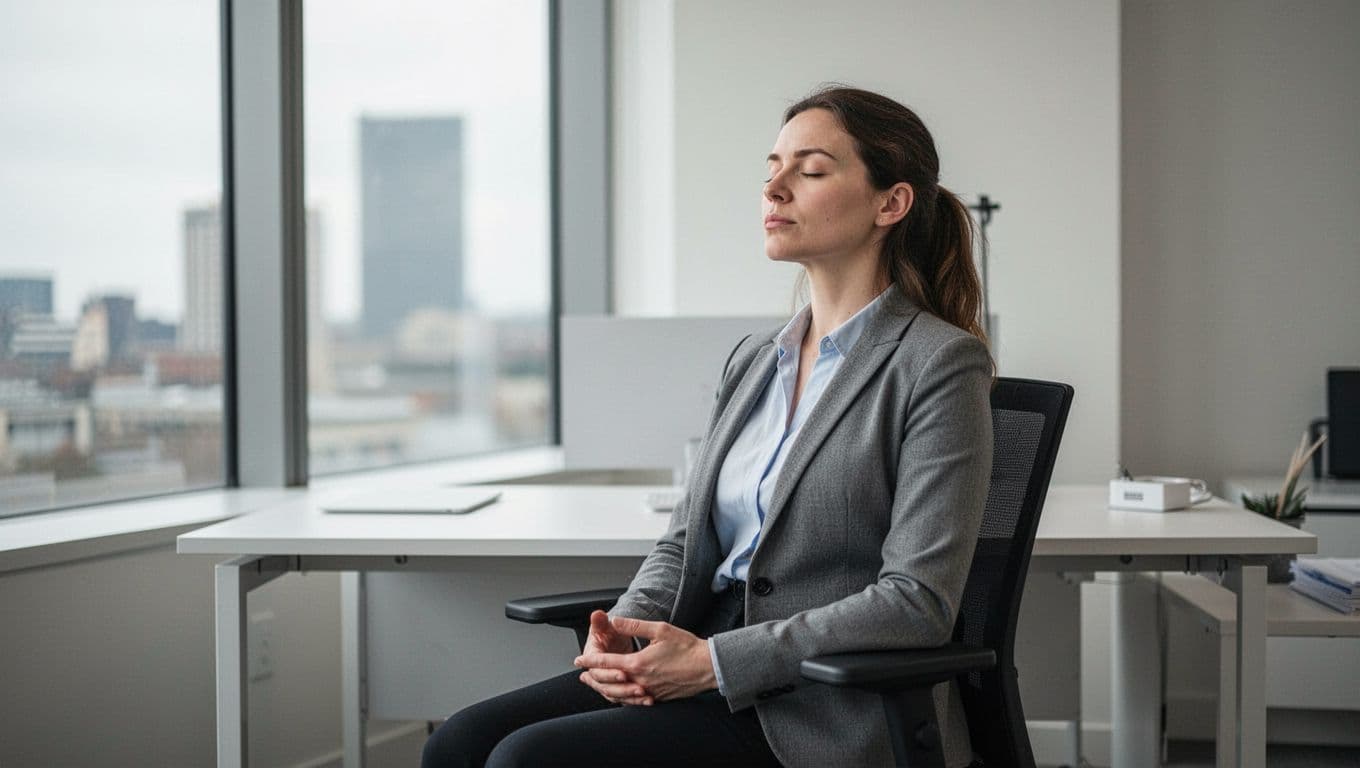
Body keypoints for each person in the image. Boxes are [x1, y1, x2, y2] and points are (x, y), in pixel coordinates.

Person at [422, 85, 994, 768]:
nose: (774, 189)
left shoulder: (938, 364)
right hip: (688, 655)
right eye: (772, 169)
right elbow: (685, 541)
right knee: (460, 741)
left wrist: (716, 662)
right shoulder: (756, 361)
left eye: (810, 171)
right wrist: (624, 633)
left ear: (890, 204)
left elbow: (916, 602)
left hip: (815, 699)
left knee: (528, 759)